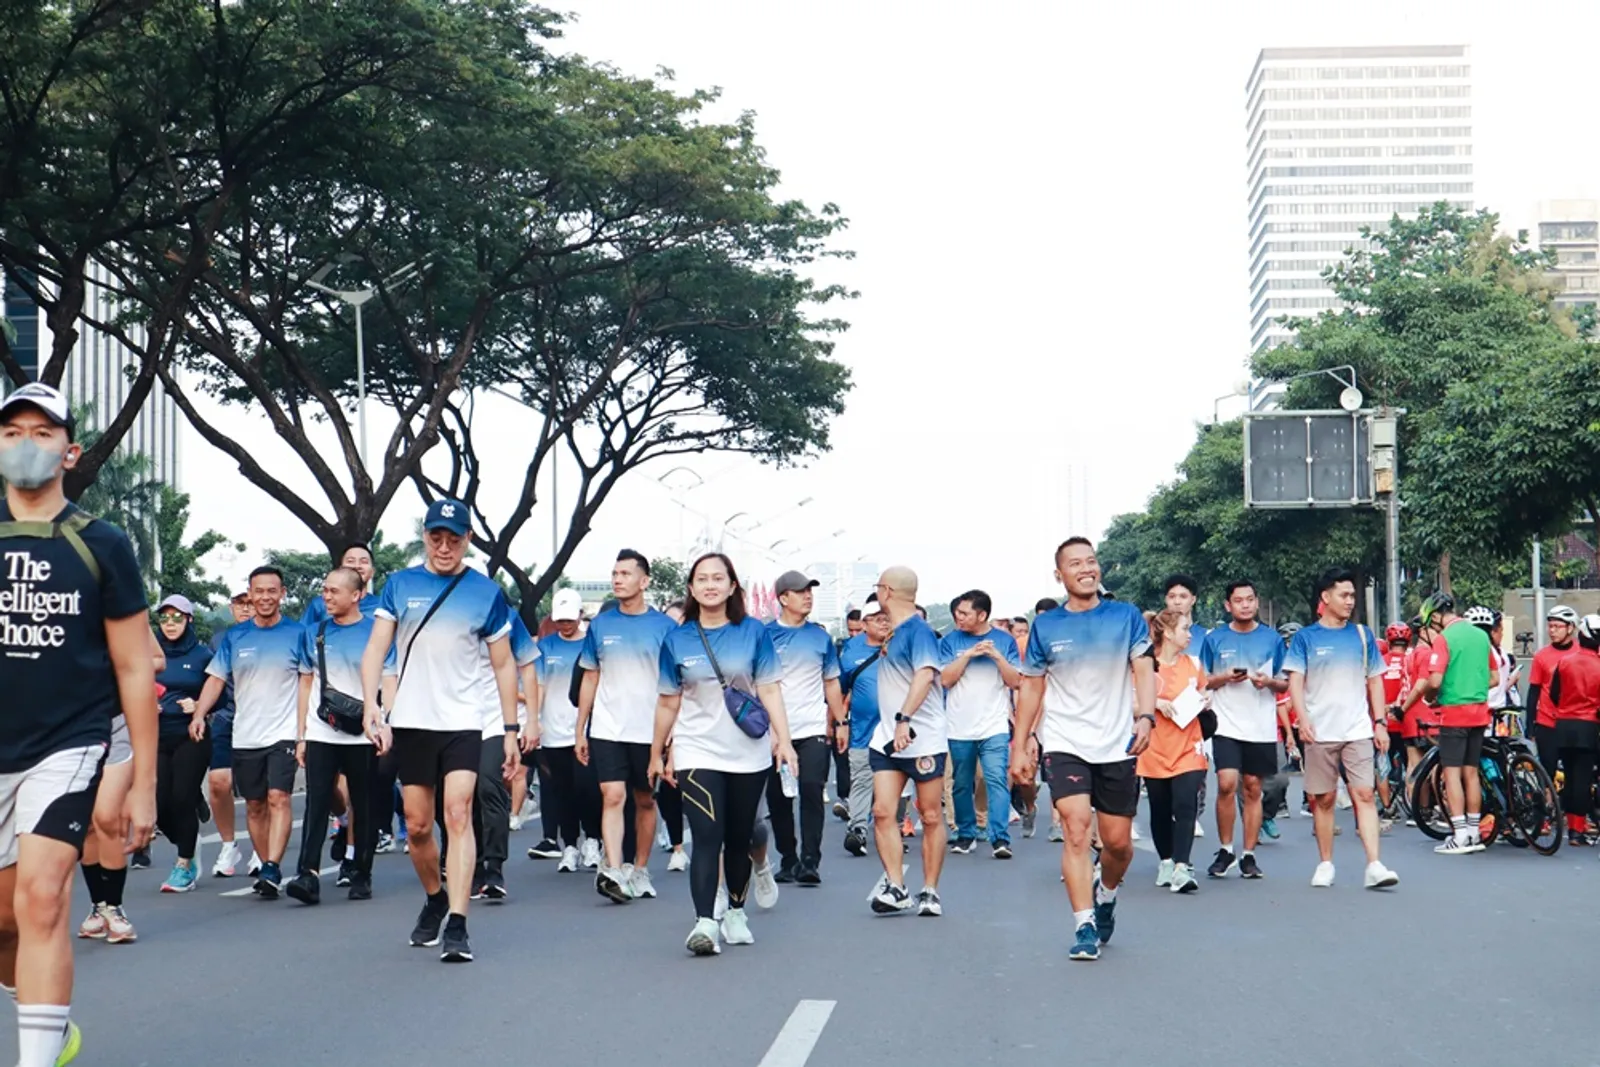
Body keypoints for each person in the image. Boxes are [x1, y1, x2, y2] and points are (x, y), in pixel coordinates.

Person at [0, 382, 156, 1066]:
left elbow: (132, 669)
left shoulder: (103, 544)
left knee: (41, 896)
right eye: (12, 432)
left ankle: (35, 1057)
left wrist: (143, 781)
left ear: (71, 451)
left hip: (68, 745)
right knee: (5, 920)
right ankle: (49, 1025)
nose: (26, 444)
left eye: (42, 432)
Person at [360, 499, 520, 963]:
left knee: (458, 813)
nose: (445, 546)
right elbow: (375, 649)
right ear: (425, 536)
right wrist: (373, 705)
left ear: (468, 539)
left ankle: (458, 923)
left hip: (464, 722)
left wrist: (510, 730)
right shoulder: (400, 585)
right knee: (416, 825)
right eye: (436, 537)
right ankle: (434, 896)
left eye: (454, 538)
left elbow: (504, 662)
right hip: (411, 721)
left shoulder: (486, 593)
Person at [1011, 538, 1155, 961]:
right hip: (1064, 741)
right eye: (1075, 564)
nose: (1086, 569)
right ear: (1060, 575)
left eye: (1091, 561)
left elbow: (1143, 668)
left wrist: (1146, 716)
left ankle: (1106, 893)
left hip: (1116, 743)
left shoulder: (1125, 616)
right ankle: (1084, 925)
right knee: (1075, 828)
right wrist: (1021, 744)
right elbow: (1032, 686)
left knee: (1118, 845)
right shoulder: (1047, 625)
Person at [651, 552, 798, 956]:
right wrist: (656, 753)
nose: (710, 585)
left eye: (719, 578)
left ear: (733, 586)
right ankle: (704, 922)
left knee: (738, 836)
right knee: (706, 835)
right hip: (697, 749)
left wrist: (783, 741)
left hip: (748, 752)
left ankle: (735, 911)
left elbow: (768, 688)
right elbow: (667, 702)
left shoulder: (753, 632)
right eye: (702, 579)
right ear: (692, 588)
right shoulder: (677, 638)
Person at [1284, 568, 1399, 888]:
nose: (1350, 601)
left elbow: (1374, 681)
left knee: (1364, 793)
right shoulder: (1306, 638)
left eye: (1352, 595)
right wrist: (1302, 721)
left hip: (1357, 730)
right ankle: (1325, 863)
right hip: (1320, 732)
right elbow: (1295, 681)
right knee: (1323, 799)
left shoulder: (1362, 636)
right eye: (1344, 595)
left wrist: (1379, 724)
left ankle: (1374, 864)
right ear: (1326, 597)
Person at [574, 550, 676, 904]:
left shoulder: (666, 627)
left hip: (649, 731)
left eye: (625, 574)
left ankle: (640, 868)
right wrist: (580, 728)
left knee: (645, 800)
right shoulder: (601, 625)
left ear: (644, 581)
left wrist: (672, 737)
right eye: (614, 573)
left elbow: (676, 685)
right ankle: (615, 870)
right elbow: (590, 677)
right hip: (608, 728)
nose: (617, 579)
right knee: (612, 796)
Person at [193, 566, 301, 897]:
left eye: (272, 591)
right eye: (259, 591)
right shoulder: (235, 638)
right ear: (250, 594)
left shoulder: (299, 634)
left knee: (278, 797)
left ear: (282, 593)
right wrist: (199, 713)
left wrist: (305, 733)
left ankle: (271, 866)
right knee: (254, 804)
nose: (265, 597)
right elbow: (216, 678)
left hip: (284, 731)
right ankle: (266, 864)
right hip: (246, 733)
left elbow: (312, 679)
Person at [286, 568, 380, 905]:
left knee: (364, 804)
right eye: (324, 590)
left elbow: (391, 678)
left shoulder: (377, 633)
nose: (326, 596)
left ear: (356, 595)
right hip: (322, 730)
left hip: (364, 733)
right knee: (317, 801)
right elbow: (306, 682)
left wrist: (385, 724)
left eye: (334, 591)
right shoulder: (314, 632)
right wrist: (300, 735)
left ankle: (362, 872)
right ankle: (307, 873)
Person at [867, 566, 951, 917]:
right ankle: (896, 885)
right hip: (886, 740)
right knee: (883, 811)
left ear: (886, 591)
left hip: (922, 739)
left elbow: (926, 675)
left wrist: (905, 719)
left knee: (930, 815)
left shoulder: (919, 632)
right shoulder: (892, 633)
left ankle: (930, 890)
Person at [1199, 579, 1288, 880]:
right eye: (1239, 600)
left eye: (1250, 599)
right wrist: (1223, 677)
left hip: (1260, 725)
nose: (1246, 605)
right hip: (1225, 723)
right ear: (1228, 605)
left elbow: (1285, 682)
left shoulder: (1272, 639)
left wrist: (1268, 683)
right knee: (1226, 783)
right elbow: (1202, 680)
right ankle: (1225, 850)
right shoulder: (1215, 639)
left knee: (1252, 787)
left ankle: (1248, 855)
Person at [764, 569, 844, 885]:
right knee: (779, 799)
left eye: (810, 590)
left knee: (812, 791)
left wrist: (840, 722)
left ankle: (810, 861)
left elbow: (831, 683)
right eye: (801, 591)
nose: (808, 596)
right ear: (783, 598)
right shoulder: (763, 636)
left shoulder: (820, 637)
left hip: (811, 729)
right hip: (772, 733)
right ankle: (788, 858)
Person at [1406, 595, 1496, 855]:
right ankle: (1474, 832)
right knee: (1471, 772)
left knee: (1451, 773)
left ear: (1435, 616)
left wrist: (1433, 698)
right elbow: (1493, 677)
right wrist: (1472, 687)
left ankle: (1458, 835)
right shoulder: (1481, 636)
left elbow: (1434, 682)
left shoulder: (1445, 638)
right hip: (1479, 714)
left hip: (1454, 714)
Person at [939, 589, 1021, 859]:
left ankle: (999, 838)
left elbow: (1016, 681)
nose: (958, 617)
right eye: (957, 613)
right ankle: (966, 834)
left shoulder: (1004, 641)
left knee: (995, 778)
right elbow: (945, 680)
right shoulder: (950, 641)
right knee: (961, 782)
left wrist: (997, 657)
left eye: (964, 613)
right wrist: (968, 656)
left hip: (994, 725)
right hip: (959, 725)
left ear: (982, 614)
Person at [1139, 608, 1207, 894]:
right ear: (1167, 633)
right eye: (1184, 629)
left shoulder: (1193, 663)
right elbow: (1129, 702)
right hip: (1154, 746)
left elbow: (1206, 692)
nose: (1189, 635)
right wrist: (1155, 704)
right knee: (1160, 808)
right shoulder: (1145, 665)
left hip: (1189, 744)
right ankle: (1166, 860)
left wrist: (1204, 700)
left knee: (1185, 803)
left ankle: (1182, 866)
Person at [152, 595, 214, 894]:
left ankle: (184, 864)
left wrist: (200, 705)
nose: (170, 623)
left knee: (181, 798)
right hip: (157, 736)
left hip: (192, 735)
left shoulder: (203, 655)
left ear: (189, 620)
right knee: (159, 806)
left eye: (177, 617)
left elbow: (224, 695)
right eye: (165, 618)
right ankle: (188, 839)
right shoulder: (150, 654)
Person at [532, 591, 593, 871]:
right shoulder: (546, 647)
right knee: (563, 791)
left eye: (569, 619)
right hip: (554, 732)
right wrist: (534, 719)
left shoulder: (591, 645)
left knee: (587, 789)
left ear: (580, 616)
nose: (565, 625)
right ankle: (569, 846)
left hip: (586, 731)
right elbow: (540, 686)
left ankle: (592, 841)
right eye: (560, 620)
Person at [838, 599, 889, 856]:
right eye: (877, 618)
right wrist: (839, 724)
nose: (883, 622)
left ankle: (890, 829)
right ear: (865, 623)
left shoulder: (901, 646)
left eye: (886, 617)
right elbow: (840, 690)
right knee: (861, 779)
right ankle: (857, 829)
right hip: (862, 730)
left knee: (891, 787)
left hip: (896, 731)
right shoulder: (850, 652)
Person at [208, 591, 253, 878]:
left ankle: (262, 850)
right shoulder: (218, 640)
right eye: (240, 604)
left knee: (257, 791)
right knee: (218, 782)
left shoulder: (274, 634)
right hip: (225, 717)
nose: (246, 609)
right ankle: (228, 845)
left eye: (250, 603)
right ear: (231, 608)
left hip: (261, 720)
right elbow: (212, 679)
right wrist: (201, 712)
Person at [1546, 615, 1600, 845]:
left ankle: (1572, 829)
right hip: (1589, 726)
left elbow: (1554, 694)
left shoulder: (1565, 662)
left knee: (1569, 775)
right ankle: (1577, 828)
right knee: (1583, 777)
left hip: (1564, 725)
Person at [1525, 605, 1580, 777]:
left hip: (1574, 721)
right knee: (1546, 771)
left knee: (1573, 772)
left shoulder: (1582, 652)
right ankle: (1548, 802)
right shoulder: (1542, 656)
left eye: (1558, 627)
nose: (1552, 631)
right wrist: (1530, 725)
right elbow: (1534, 691)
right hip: (1547, 722)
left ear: (1570, 627)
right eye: (1550, 626)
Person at [299, 543, 382, 625]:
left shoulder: (382, 607)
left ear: (372, 572)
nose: (357, 566)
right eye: (350, 561)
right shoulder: (319, 605)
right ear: (340, 569)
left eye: (364, 561)